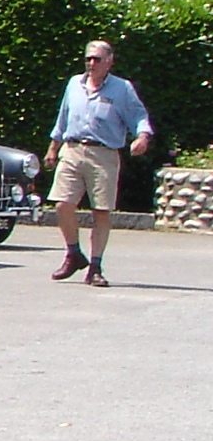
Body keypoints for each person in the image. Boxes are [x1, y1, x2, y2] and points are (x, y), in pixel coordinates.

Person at [43, 38, 152, 287]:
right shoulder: (74, 84)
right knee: (62, 204)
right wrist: (53, 148)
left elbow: (139, 116)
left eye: (97, 59)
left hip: (103, 154)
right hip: (72, 149)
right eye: (88, 59)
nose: (92, 63)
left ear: (109, 61)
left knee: (101, 211)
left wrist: (142, 137)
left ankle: (95, 266)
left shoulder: (122, 89)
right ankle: (73, 253)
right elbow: (63, 117)